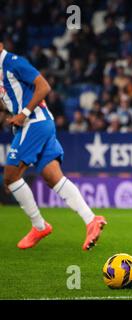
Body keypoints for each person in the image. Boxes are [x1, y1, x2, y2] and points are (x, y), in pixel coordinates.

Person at [0, 42, 107, 250]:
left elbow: (44, 86)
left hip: (34, 123)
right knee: (52, 177)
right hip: (42, 124)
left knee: (11, 176)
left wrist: (23, 113)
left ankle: (39, 226)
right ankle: (91, 220)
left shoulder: (14, 62)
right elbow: (10, 101)